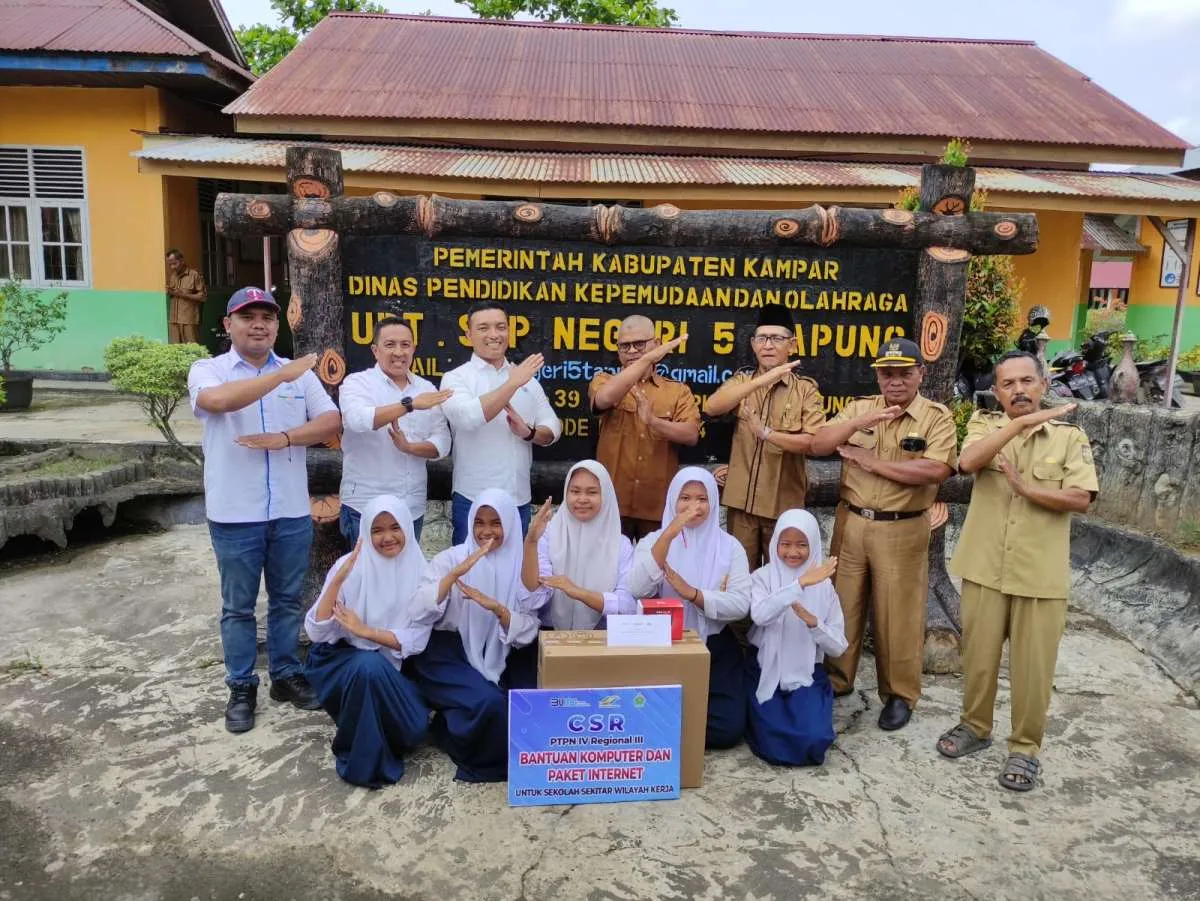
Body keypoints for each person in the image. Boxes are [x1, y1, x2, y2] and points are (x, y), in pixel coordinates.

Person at [937, 351, 1097, 792]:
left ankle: (1025, 749)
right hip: (985, 565)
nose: (1019, 390)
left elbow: (1081, 497)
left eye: (1027, 381)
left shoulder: (1068, 437)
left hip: (1039, 574)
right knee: (980, 659)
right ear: (998, 391)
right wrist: (1019, 425)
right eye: (1008, 384)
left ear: (1043, 385)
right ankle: (974, 727)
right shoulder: (987, 427)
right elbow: (967, 463)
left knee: (1032, 669)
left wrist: (1028, 490)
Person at [188, 287, 342, 733]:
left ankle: (286, 676)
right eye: (248, 316)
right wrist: (280, 377)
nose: (259, 324)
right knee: (237, 607)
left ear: (277, 325)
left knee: (287, 599)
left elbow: (331, 421)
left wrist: (288, 437)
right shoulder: (208, 370)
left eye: (267, 317)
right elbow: (217, 403)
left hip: (291, 511)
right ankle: (240, 685)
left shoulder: (300, 375)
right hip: (235, 513)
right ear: (229, 325)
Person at [809, 337, 957, 732]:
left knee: (899, 616)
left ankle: (898, 695)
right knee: (843, 605)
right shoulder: (859, 408)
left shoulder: (935, 417)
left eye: (904, 373)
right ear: (877, 374)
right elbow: (820, 443)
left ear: (920, 374)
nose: (894, 381)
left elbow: (935, 470)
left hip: (902, 527)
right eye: (887, 373)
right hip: (852, 522)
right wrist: (856, 425)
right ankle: (838, 679)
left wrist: (872, 463)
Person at [407, 488, 540, 782]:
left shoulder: (523, 565)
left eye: (496, 523)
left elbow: (530, 626)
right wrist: (452, 577)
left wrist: (499, 610)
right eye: (479, 522)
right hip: (448, 653)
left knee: (525, 710)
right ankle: (466, 747)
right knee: (489, 705)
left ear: (510, 524)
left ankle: (447, 726)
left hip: (504, 649)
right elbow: (417, 611)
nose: (486, 531)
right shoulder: (451, 558)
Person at [304, 496, 431, 789]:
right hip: (347, 665)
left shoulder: (420, 570)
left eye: (395, 527)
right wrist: (336, 581)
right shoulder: (349, 567)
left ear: (408, 529)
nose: (387, 538)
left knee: (414, 730)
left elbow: (417, 640)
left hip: (397, 669)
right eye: (377, 530)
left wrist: (366, 631)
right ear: (365, 532)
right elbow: (317, 632)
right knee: (368, 665)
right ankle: (364, 762)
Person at [627, 467, 752, 748]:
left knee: (727, 728)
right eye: (685, 497)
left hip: (713, 645)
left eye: (702, 499)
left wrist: (694, 595)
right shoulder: (653, 542)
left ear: (713, 503)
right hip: (663, 645)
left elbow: (741, 604)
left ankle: (668, 730)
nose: (693, 506)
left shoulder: (730, 547)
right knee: (638, 714)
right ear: (673, 500)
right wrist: (669, 534)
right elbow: (636, 588)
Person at [706, 305, 826, 570]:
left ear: (792, 345)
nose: (768, 345)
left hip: (783, 508)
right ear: (753, 344)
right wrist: (760, 382)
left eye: (777, 339)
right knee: (738, 581)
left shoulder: (805, 391)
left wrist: (767, 434)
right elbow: (712, 407)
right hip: (742, 507)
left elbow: (814, 442)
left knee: (782, 581)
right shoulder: (742, 382)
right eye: (762, 338)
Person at [440, 302, 562, 545]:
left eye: (501, 327)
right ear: (468, 335)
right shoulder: (456, 378)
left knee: (514, 577)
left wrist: (529, 433)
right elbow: (468, 416)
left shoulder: (525, 378)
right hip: (473, 500)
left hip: (518, 501)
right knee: (469, 572)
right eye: (483, 328)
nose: (494, 334)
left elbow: (553, 428)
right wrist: (512, 384)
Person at [745, 510, 846, 767]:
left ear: (813, 546)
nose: (793, 552)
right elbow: (760, 615)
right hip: (765, 668)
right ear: (774, 543)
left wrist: (815, 625)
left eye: (802, 545)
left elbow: (838, 646)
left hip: (806, 673)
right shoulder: (763, 577)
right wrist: (798, 585)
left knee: (813, 739)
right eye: (785, 544)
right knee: (771, 741)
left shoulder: (824, 587)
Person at [338, 317, 453, 544]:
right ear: (375, 350)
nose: (399, 352)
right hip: (366, 507)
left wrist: (409, 447)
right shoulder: (357, 383)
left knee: (405, 579)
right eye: (390, 345)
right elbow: (357, 420)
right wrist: (409, 405)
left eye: (405, 345)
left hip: (411, 509)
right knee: (365, 578)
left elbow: (443, 442)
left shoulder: (426, 388)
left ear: (413, 349)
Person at [589, 317, 700, 540]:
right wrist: (647, 357)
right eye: (624, 346)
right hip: (612, 505)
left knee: (654, 573)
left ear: (656, 343)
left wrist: (654, 422)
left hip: (657, 507)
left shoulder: (677, 391)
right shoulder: (603, 380)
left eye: (639, 344)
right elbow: (603, 399)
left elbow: (691, 435)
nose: (632, 351)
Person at [521, 460, 637, 630]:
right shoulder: (548, 534)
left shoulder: (620, 545)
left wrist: (579, 593)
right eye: (575, 491)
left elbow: (627, 606)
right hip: (550, 634)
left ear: (606, 496)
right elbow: (533, 597)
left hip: (602, 638)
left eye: (592, 492)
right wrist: (531, 543)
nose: (582, 499)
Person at [166, 249, 208, 345]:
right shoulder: (173, 276)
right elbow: (174, 294)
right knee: (175, 349)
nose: (172, 267)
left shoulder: (194, 275)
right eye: (170, 265)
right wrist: (171, 292)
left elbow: (203, 297)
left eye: (174, 263)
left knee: (192, 349)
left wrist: (182, 294)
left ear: (182, 261)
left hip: (189, 320)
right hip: (174, 320)